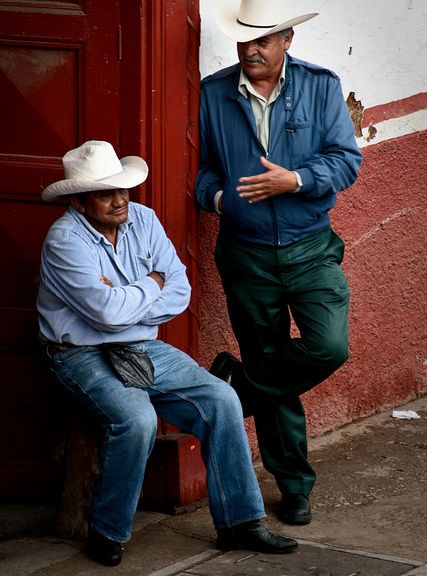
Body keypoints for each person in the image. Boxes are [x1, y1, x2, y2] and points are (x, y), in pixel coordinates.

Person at [37, 140, 298, 567]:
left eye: (123, 189)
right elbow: (105, 313)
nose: (120, 199)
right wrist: (149, 286)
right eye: (106, 192)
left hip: (140, 344)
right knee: (137, 419)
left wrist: (132, 297)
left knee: (221, 399)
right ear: (79, 201)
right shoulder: (64, 240)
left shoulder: (143, 218)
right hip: (78, 354)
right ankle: (107, 530)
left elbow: (179, 291)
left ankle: (240, 523)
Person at [195, 0, 363, 526]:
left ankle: (239, 386)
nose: (252, 50)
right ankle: (293, 485)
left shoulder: (319, 87)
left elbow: (346, 161)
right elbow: (195, 170)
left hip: (310, 246)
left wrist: (296, 179)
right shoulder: (211, 94)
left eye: (264, 39)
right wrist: (218, 198)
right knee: (269, 353)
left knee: (327, 346)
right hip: (245, 255)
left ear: (287, 39)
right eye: (244, 40)